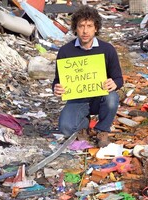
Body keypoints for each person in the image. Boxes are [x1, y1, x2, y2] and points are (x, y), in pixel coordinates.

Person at [52, 5, 123, 147]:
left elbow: (118, 78)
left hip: (100, 98)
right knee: (65, 128)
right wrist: (56, 88)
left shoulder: (107, 49)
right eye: (81, 26)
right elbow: (57, 80)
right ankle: (84, 126)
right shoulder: (66, 51)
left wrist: (114, 84)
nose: (85, 31)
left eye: (89, 26)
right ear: (75, 28)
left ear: (96, 28)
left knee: (112, 98)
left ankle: (102, 130)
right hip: (77, 99)